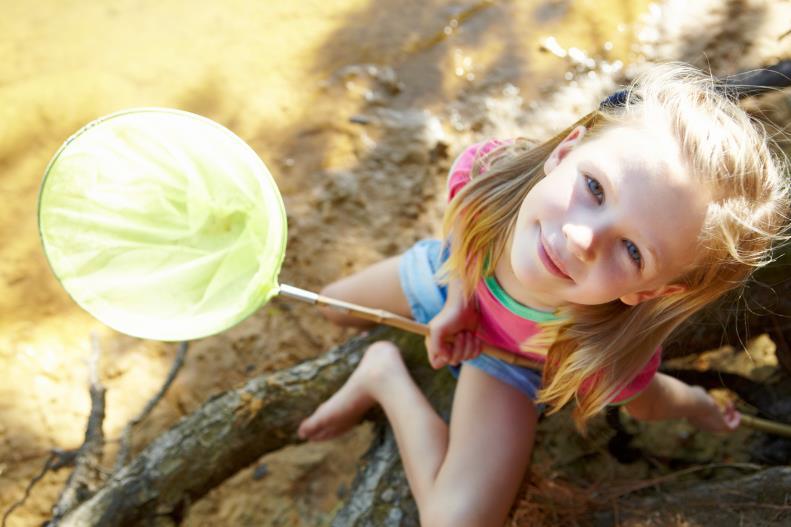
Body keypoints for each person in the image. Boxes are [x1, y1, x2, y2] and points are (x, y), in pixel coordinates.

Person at [297, 63, 790, 526]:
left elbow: (651, 398)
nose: (582, 238)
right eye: (595, 188)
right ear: (564, 153)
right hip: (451, 275)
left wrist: (703, 407)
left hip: (504, 363)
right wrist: (459, 303)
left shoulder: (599, 349)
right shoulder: (489, 173)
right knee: (335, 306)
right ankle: (383, 348)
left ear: (651, 291)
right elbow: (464, 223)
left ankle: (383, 375)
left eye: (634, 251)